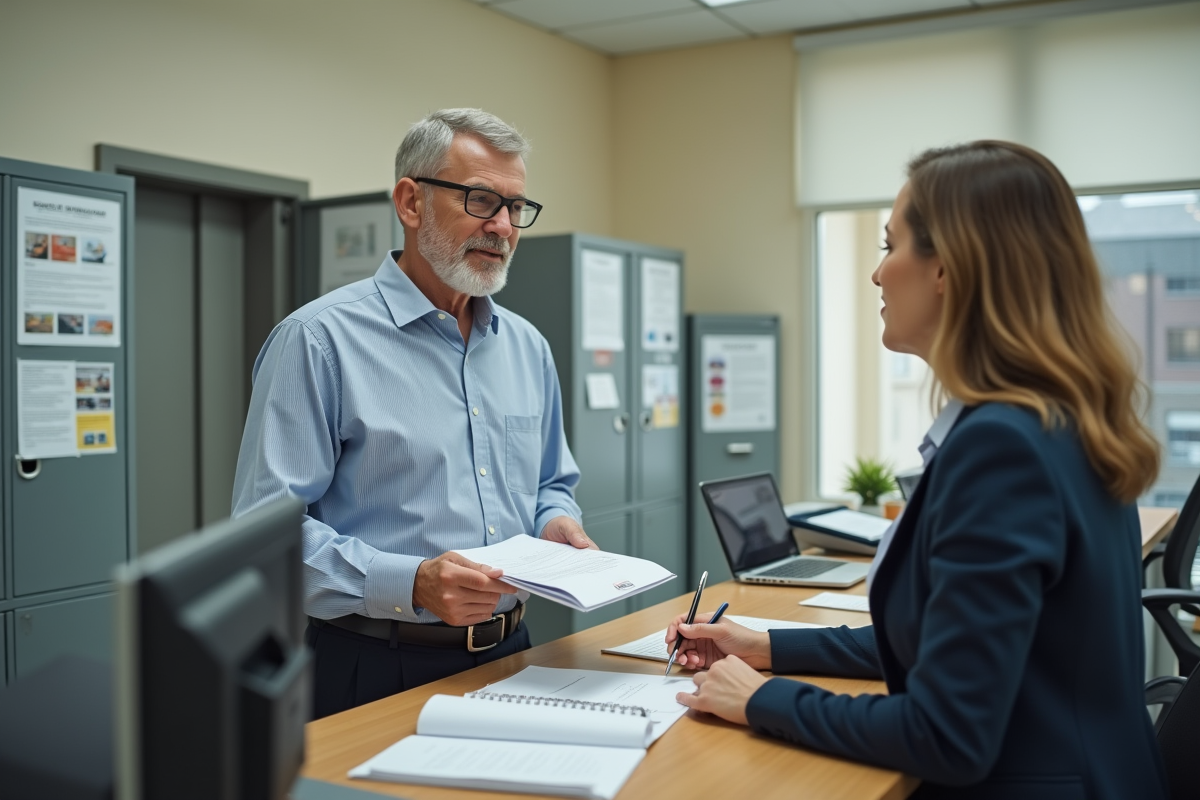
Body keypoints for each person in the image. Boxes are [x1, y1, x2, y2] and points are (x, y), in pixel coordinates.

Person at [667, 141, 1168, 799]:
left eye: (890, 245)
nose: (877, 276)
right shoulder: (1056, 417)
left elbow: (947, 734)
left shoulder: (1002, 447)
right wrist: (766, 647)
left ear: (948, 270)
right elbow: (948, 642)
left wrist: (762, 699)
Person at [232, 108, 595, 719]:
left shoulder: (527, 346)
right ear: (410, 202)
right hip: (377, 663)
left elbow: (550, 483)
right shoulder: (319, 339)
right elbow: (264, 541)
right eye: (482, 201)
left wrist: (556, 519)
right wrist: (410, 582)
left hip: (515, 652)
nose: (504, 227)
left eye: (516, 207)